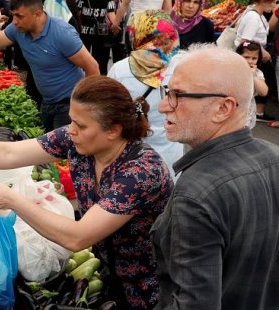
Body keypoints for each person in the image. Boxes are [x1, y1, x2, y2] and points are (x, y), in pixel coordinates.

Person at [0, 76, 173, 309]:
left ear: (113, 131)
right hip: (112, 270)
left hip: (153, 284)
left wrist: (12, 199)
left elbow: (78, 237)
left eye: (81, 125)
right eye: (72, 120)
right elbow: (8, 152)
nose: (70, 130)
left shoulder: (140, 172)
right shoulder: (77, 142)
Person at [151, 44, 279, 309]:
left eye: (177, 95)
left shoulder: (195, 194)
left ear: (223, 108)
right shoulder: (274, 156)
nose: (164, 105)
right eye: (167, 92)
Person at [0, 0, 100, 132]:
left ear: (37, 14)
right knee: (48, 147)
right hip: (47, 102)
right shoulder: (17, 29)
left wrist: (84, 105)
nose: (14, 21)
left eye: (19, 16)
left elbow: (92, 67)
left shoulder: (62, 33)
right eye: (13, 15)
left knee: (62, 149)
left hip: (68, 104)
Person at [109, 10, 183, 178]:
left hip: (133, 155)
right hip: (172, 155)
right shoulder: (182, 65)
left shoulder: (120, 70)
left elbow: (110, 112)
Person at [235, 0, 275, 122]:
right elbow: (245, 41)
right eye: (272, 2)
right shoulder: (253, 17)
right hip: (254, 52)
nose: (274, 5)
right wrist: (260, 52)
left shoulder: (259, 15)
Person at [76, 0, 121, 74]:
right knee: (98, 62)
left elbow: (77, 13)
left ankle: (88, 81)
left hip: (90, 32)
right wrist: (115, 25)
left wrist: (115, 25)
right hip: (96, 31)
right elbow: (111, 13)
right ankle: (97, 81)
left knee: (93, 61)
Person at [235, 41, 268, 128]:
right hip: (232, 107)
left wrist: (253, 76)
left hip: (246, 110)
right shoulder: (232, 69)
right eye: (246, 57)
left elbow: (263, 92)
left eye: (254, 58)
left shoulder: (257, 73)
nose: (250, 61)